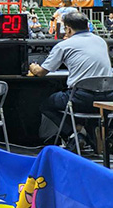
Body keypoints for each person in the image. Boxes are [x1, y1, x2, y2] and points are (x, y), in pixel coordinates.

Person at [29, 12, 113, 149]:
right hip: (107, 99)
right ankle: (92, 132)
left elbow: (41, 72)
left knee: (46, 105)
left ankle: (74, 134)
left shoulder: (64, 45)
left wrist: (32, 66)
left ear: (68, 29)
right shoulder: (101, 41)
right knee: (83, 103)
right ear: (87, 26)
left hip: (81, 99)